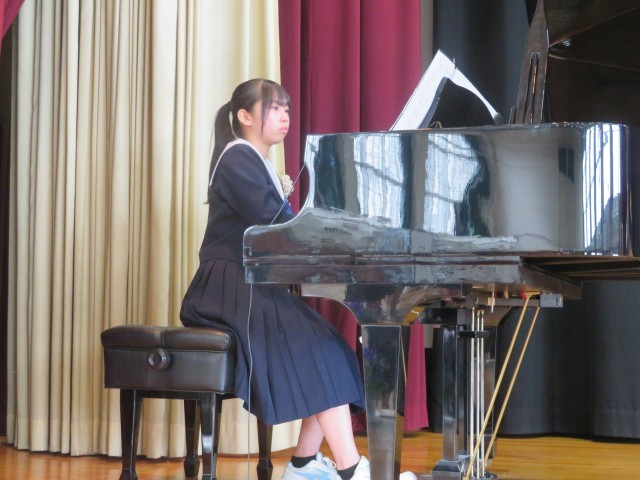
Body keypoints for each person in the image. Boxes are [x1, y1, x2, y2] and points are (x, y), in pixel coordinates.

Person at [180, 78, 416, 480]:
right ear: (244, 116)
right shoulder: (238, 157)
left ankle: (304, 465)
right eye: (274, 108)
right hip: (227, 287)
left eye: (286, 109)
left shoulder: (253, 161)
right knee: (320, 349)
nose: (284, 116)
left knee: (332, 348)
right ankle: (350, 469)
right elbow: (275, 224)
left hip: (249, 282)